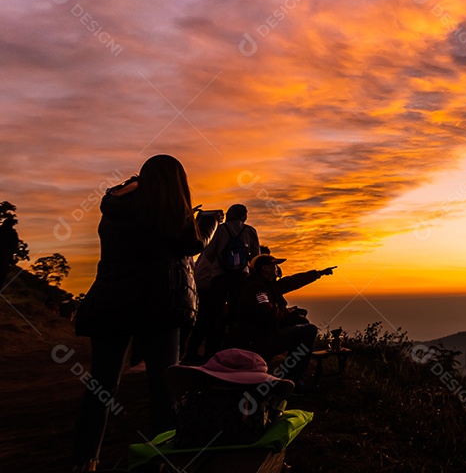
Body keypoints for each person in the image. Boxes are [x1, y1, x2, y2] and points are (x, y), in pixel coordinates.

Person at [71, 154, 215, 472]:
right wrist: (209, 222)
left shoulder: (115, 206)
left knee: (102, 385)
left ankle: (86, 459)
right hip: (158, 307)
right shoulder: (167, 210)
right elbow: (191, 243)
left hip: (110, 303)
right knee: (164, 387)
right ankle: (161, 460)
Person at [227, 254, 333, 386]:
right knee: (309, 330)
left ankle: (292, 372)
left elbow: (293, 281)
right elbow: (268, 313)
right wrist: (287, 312)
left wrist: (318, 274)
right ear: (265, 268)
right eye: (274, 264)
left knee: (301, 322)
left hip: (262, 334)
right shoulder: (256, 288)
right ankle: (293, 379)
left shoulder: (268, 285)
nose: (277, 268)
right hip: (257, 340)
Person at [185, 204, 260, 361]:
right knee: (237, 315)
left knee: (215, 316)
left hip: (219, 277)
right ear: (244, 216)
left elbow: (209, 253)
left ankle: (211, 354)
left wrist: (219, 265)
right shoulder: (250, 231)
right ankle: (235, 353)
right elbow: (255, 258)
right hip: (241, 277)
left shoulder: (219, 230)